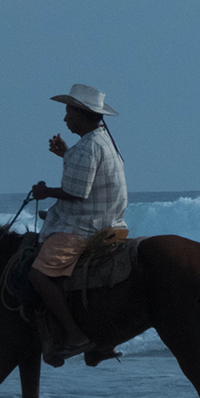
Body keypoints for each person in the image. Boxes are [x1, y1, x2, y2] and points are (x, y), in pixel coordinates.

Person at [29, 84, 127, 360]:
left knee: (38, 274)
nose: (64, 119)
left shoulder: (88, 147)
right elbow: (88, 176)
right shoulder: (101, 140)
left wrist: (44, 192)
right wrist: (66, 154)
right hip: (111, 222)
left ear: (81, 113)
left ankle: (74, 334)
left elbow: (75, 193)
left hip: (85, 226)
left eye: (68, 112)